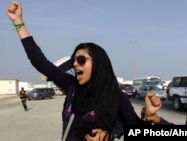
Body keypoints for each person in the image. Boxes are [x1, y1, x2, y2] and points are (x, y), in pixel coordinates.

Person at [6, 1, 144, 141]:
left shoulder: (116, 96)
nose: (75, 64)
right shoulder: (72, 86)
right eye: (74, 60)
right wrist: (18, 22)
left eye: (82, 60)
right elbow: (38, 60)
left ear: (97, 63)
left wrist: (111, 133)